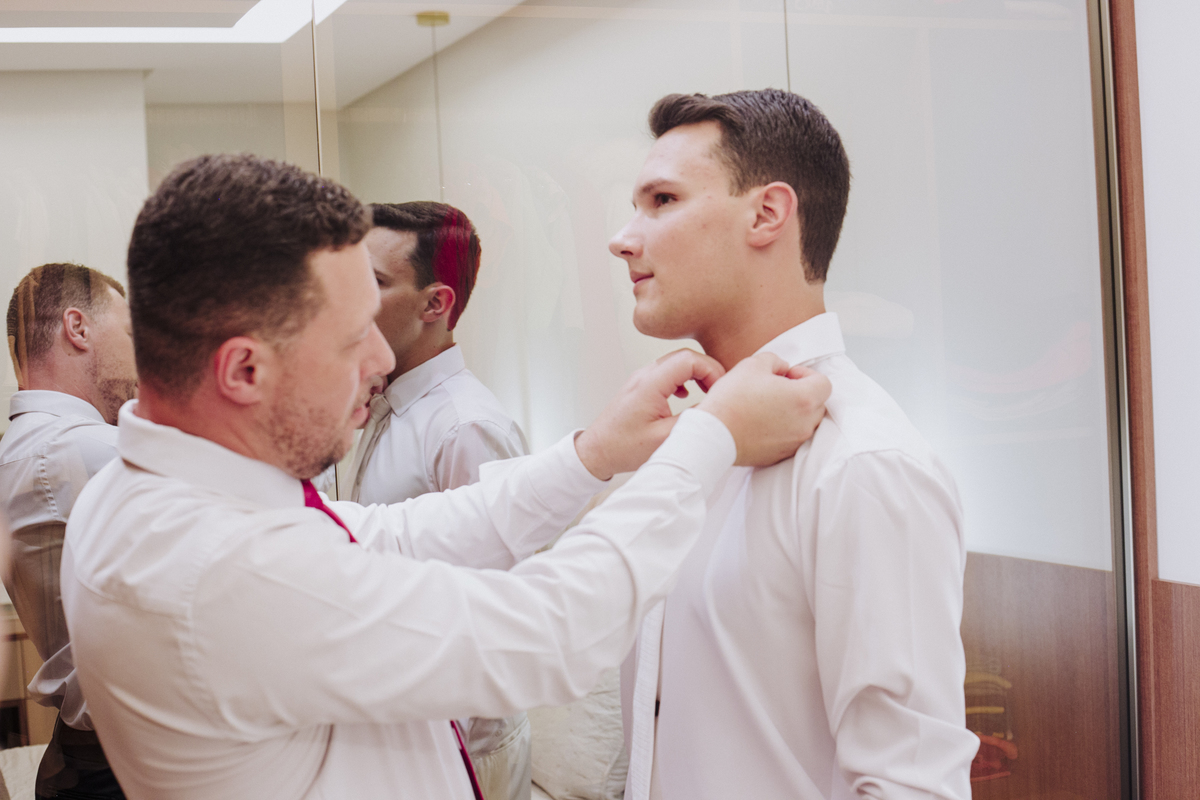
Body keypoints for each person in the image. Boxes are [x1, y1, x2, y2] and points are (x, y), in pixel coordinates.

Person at [59, 153, 832, 800]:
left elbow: (398, 535)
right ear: (245, 371)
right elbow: (548, 632)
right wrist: (708, 441)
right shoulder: (216, 568)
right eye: (353, 338)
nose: (381, 359)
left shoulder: (148, 492)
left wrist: (591, 454)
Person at [609, 89, 979, 800]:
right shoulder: (683, 441)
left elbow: (912, 784)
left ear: (767, 214)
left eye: (663, 201)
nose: (623, 238)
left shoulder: (864, 465)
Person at [349, 201, 532, 800]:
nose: (351, 297)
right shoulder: (379, 401)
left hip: (462, 747)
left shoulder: (465, 427)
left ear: (435, 304)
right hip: (397, 727)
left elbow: (497, 602)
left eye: (374, 282)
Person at [0, 262, 136, 800]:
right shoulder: (80, 448)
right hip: (120, 765)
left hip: (83, 754)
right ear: (77, 328)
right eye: (131, 333)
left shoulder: (26, 445)